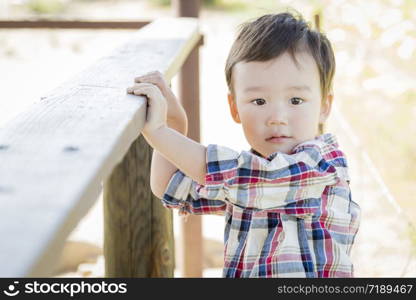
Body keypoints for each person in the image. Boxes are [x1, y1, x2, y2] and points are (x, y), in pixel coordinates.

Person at [127, 11, 361, 278]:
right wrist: (173, 124)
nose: (277, 119)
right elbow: (170, 186)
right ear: (234, 107)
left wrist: (158, 132)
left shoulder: (323, 166)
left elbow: (251, 176)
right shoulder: (244, 183)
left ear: (324, 106)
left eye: (296, 100)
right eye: (259, 101)